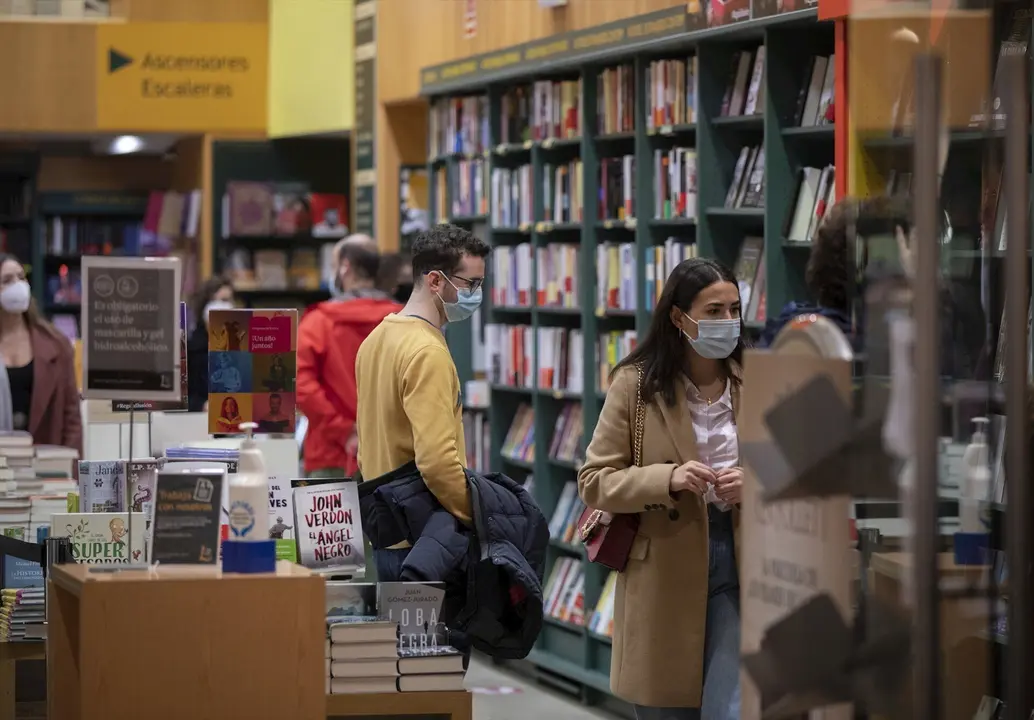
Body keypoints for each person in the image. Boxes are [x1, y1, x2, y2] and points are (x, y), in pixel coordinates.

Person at [578, 257, 746, 720]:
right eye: (713, 311)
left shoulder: (755, 379)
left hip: (739, 560)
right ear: (678, 317)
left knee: (730, 710)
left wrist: (756, 483)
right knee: (666, 710)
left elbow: (795, 471)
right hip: (664, 566)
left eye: (734, 309)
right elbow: (594, 482)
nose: (728, 321)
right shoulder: (636, 385)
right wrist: (666, 479)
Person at [355, 223, 489, 581]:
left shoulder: (376, 339)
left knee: (398, 637)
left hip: (387, 529)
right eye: (470, 285)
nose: (477, 295)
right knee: (439, 637)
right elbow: (436, 461)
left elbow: (366, 445)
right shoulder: (427, 351)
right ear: (435, 281)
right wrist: (476, 516)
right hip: (427, 540)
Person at [297, 235, 402, 479]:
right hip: (392, 454)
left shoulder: (318, 322)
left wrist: (344, 431)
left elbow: (302, 386)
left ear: (345, 267)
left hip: (330, 455)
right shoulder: (404, 320)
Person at [0, 254, 81, 451]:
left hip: (46, 470)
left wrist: (70, 475)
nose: (18, 285)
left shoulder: (56, 344)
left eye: (21, 277)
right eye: (7, 280)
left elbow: (71, 419)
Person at [187, 276, 235, 412]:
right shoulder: (191, 348)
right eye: (221, 301)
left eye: (229, 301)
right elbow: (181, 398)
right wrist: (202, 406)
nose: (226, 306)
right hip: (198, 423)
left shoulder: (241, 346)